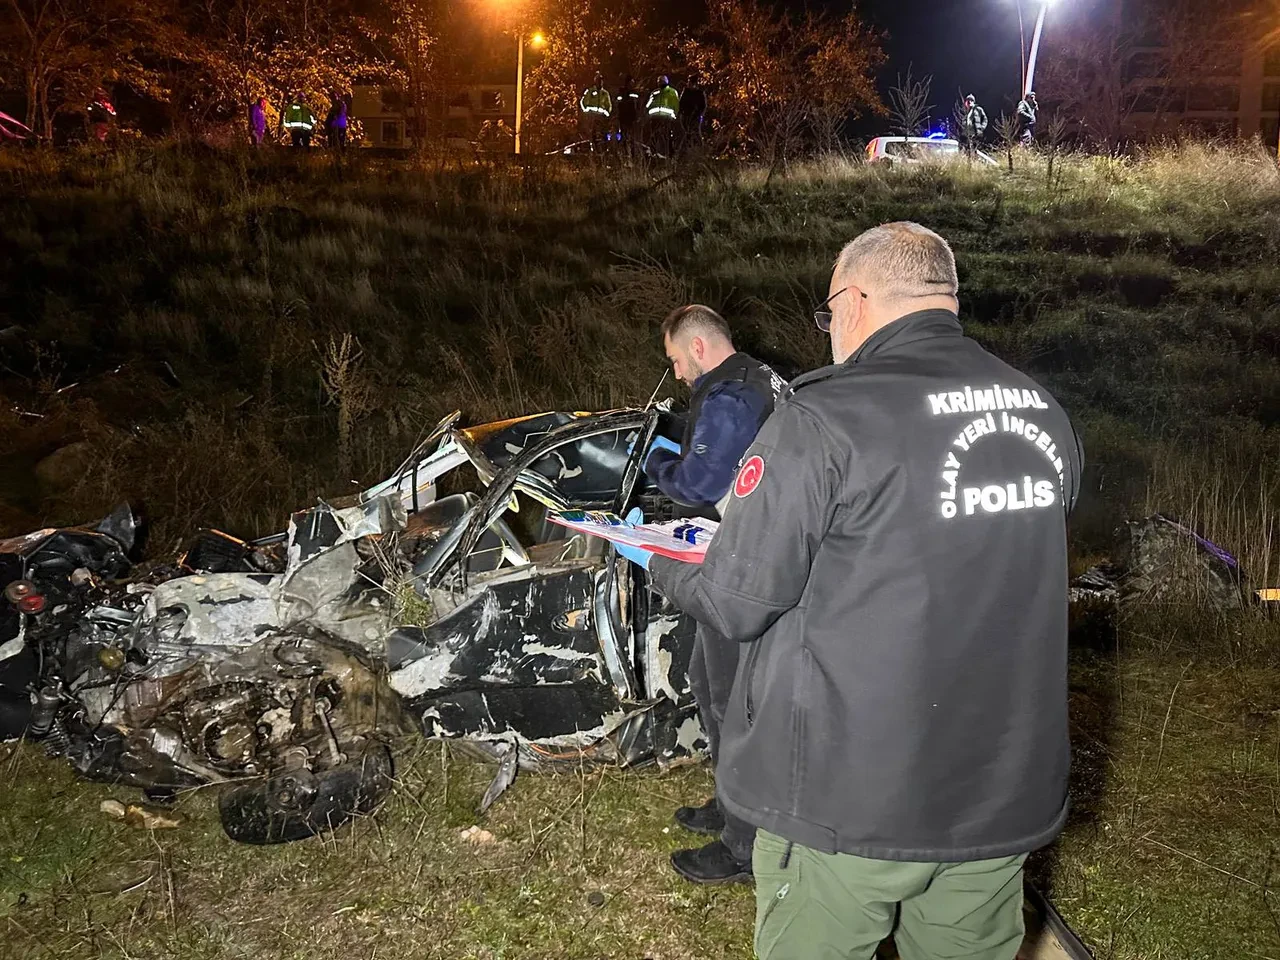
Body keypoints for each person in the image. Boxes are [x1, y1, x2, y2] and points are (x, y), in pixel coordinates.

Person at [621, 222, 1083, 959]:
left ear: (857, 299)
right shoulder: (1039, 410)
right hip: (999, 790)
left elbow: (738, 602)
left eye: (829, 313)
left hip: (854, 797)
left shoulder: (826, 417)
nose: (830, 330)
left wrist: (655, 558)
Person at [639, 305, 785, 885]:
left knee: (730, 699)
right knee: (706, 681)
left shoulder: (729, 397)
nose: (676, 374)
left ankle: (744, 847)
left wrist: (654, 459)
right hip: (745, 552)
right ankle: (731, 805)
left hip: (749, 565)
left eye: (675, 360)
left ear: (698, 348)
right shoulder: (761, 378)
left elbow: (699, 482)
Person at [645, 75, 680, 157]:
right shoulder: (655, 93)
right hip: (655, 117)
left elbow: (676, 104)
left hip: (666, 118)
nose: (660, 83)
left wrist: (675, 116)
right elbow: (648, 105)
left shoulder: (672, 92)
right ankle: (653, 154)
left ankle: (670, 154)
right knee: (654, 136)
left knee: (667, 136)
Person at [578, 73, 612, 152]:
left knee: (603, 132)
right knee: (592, 132)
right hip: (592, 116)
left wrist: (607, 113)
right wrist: (586, 110)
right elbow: (583, 102)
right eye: (598, 80)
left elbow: (609, 105)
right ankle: (592, 148)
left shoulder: (605, 93)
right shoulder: (590, 91)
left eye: (601, 81)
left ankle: (604, 148)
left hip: (601, 116)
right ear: (595, 81)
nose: (600, 82)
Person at [679, 82, 707, 153]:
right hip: (686, 115)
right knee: (686, 132)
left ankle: (699, 149)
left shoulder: (700, 93)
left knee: (696, 131)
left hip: (696, 116)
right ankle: (686, 149)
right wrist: (681, 112)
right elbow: (681, 103)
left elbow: (703, 106)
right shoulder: (686, 92)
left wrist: (700, 114)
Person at [615, 76, 640, 156]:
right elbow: (618, 103)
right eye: (631, 83)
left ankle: (633, 154)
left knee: (632, 137)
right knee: (624, 136)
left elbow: (637, 105)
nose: (632, 84)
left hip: (632, 117)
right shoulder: (621, 92)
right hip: (623, 117)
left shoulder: (634, 92)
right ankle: (624, 153)